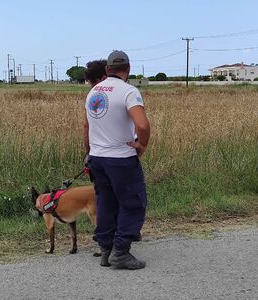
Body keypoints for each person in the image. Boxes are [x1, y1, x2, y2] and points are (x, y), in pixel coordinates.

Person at [84, 50, 150, 270]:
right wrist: (142, 144)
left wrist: (89, 152)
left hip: (97, 158)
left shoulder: (93, 92)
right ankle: (120, 251)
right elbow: (142, 125)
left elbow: (86, 127)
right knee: (133, 204)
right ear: (128, 69)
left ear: (107, 69)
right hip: (120, 159)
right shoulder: (129, 92)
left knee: (106, 203)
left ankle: (106, 249)